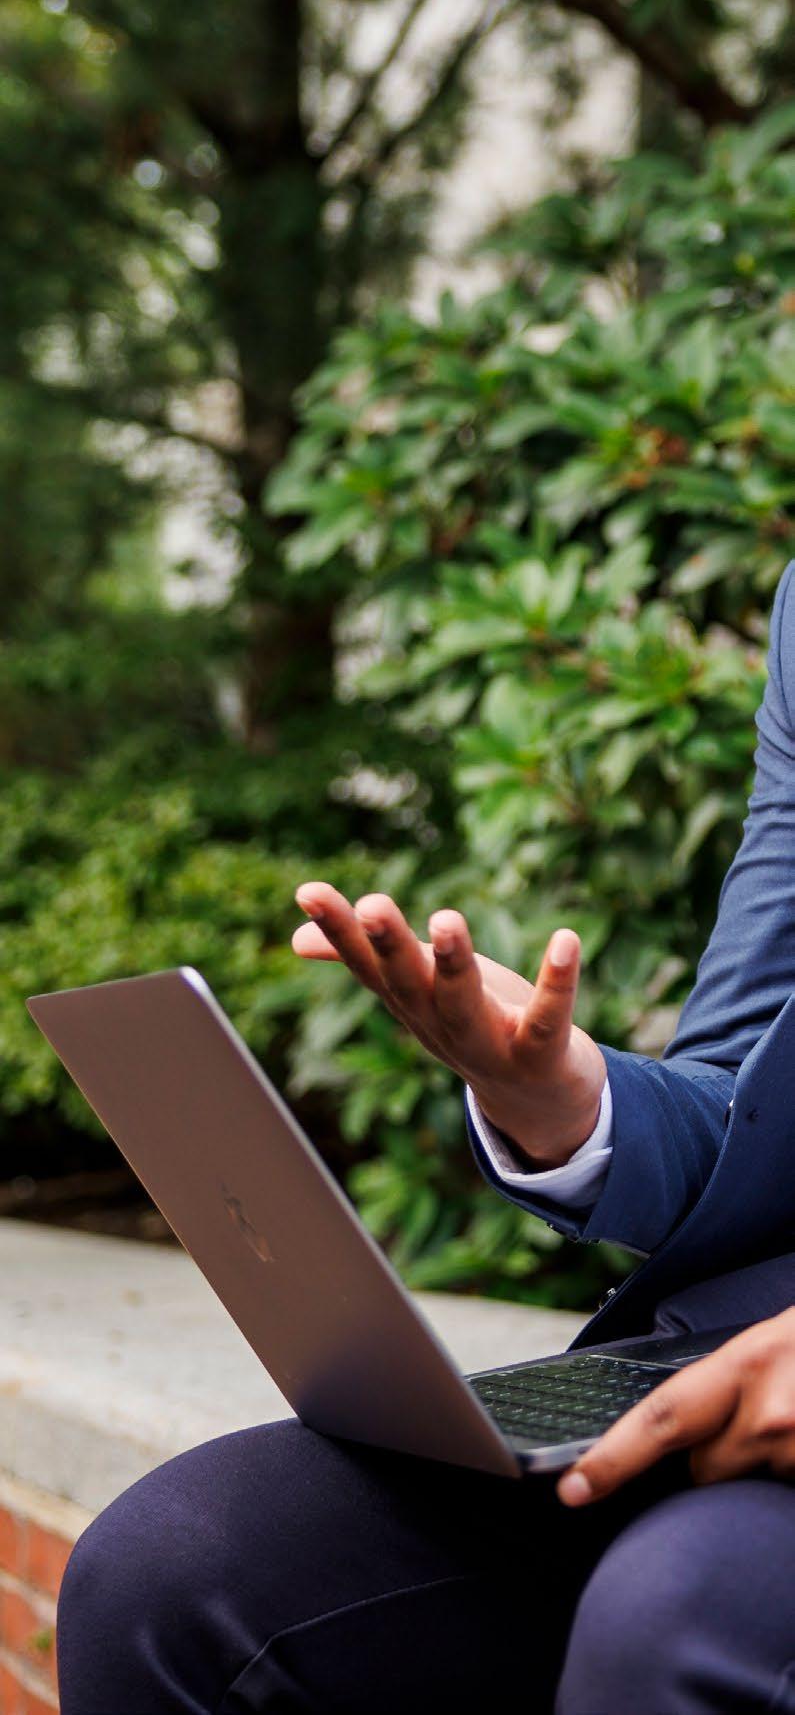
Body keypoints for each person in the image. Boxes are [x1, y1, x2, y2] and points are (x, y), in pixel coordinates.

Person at [57, 561, 795, 1713]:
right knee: (166, 1570)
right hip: (723, 1365)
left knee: (670, 1617)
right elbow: (749, 1106)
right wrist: (568, 1098)